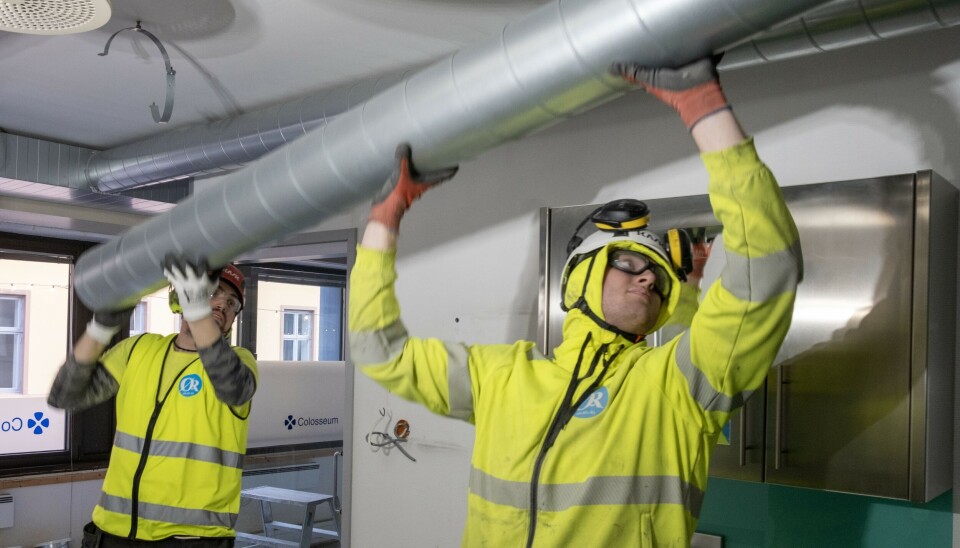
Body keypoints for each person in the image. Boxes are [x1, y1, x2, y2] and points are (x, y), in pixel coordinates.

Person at [349, 56, 802, 547]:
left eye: (659, 278)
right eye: (628, 264)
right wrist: (384, 218)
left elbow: (767, 268)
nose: (648, 280)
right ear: (580, 278)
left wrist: (700, 105)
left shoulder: (676, 389)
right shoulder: (502, 378)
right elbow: (379, 350)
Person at [49, 255, 258, 546]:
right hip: (114, 532)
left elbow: (232, 387)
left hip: (192, 539)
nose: (222, 304)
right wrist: (100, 327)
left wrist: (198, 309)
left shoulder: (240, 362)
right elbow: (64, 396)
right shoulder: (138, 350)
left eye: (232, 303)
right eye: (213, 293)